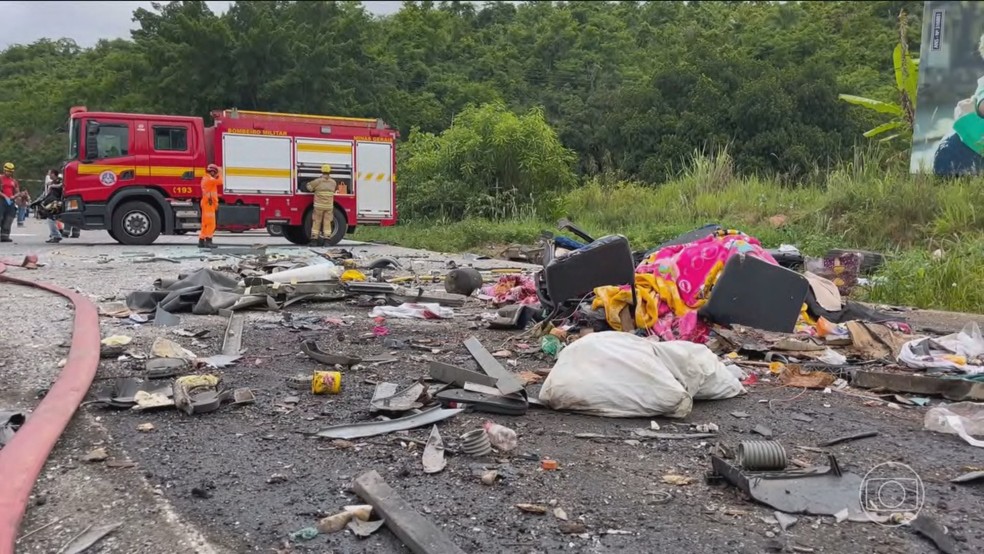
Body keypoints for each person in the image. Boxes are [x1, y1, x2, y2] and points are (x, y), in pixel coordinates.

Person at [307, 164, 339, 246]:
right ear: (330, 172)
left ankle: (314, 240)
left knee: (317, 221)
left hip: (319, 206)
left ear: (322, 171)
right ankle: (327, 241)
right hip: (329, 206)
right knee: (327, 222)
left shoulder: (318, 181)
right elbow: (334, 190)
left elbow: (309, 187)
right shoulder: (333, 182)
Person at [198, 163, 222, 248]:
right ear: (212, 172)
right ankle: (208, 241)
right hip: (209, 204)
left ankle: (201, 241)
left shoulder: (206, 178)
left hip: (206, 203)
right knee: (211, 224)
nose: (216, 174)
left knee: (205, 223)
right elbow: (220, 181)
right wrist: (220, 172)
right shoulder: (209, 179)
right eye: (215, 172)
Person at [0, 162, 20, 243]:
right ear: (4, 170)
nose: (9, 173)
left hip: (10, 201)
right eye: (8, 171)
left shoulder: (13, 181)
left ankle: (5, 236)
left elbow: (17, 191)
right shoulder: (0, 178)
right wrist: (5, 196)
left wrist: (15, 196)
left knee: (9, 218)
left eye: (11, 171)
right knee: (0, 217)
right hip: (1, 200)